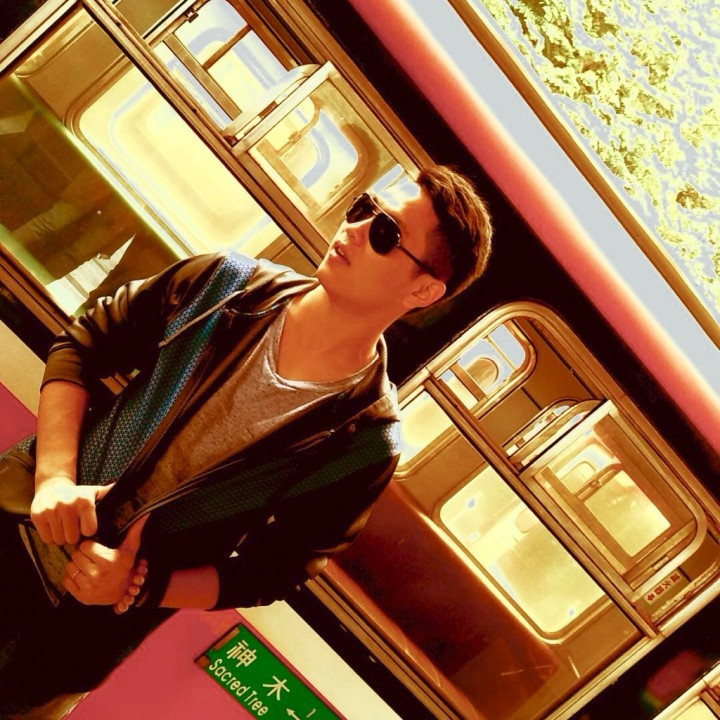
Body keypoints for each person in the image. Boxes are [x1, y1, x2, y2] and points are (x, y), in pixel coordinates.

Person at [0, 165, 492, 714]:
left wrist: (139, 586)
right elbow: (85, 342)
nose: (354, 229)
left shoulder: (364, 439)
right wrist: (53, 479)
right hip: (14, 521)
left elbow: (275, 570)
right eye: (363, 208)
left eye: (384, 233)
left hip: (71, 642)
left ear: (423, 289)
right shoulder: (225, 285)